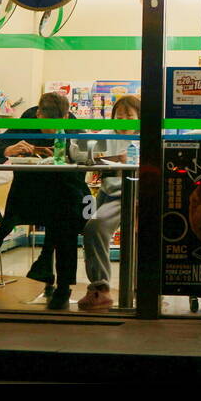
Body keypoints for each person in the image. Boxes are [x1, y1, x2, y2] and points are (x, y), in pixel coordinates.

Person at [0, 92, 89, 310]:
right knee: (62, 218)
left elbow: (85, 159)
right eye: (46, 125)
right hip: (32, 191)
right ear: (38, 114)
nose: (50, 130)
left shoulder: (72, 125)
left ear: (65, 116)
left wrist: (71, 156)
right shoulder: (28, 119)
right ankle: (52, 275)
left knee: (65, 217)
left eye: (56, 125)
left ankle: (57, 279)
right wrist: (9, 150)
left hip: (65, 190)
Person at [76, 95, 140, 311]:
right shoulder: (106, 135)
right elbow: (78, 151)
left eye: (129, 116)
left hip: (138, 194)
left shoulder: (147, 136)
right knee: (94, 228)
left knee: (141, 239)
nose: (123, 121)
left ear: (139, 117)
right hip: (111, 193)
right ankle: (100, 289)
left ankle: (142, 287)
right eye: (119, 116)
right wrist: (111, 159)